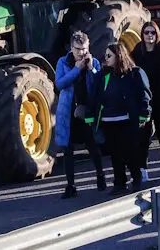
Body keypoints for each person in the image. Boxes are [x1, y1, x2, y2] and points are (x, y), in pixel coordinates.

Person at [90, 42, 152, 192]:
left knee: (130, 152)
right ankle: (119, 183)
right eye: (105, 55)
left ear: (119, 56)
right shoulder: (102, 75)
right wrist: (90, 117)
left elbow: (144, 94)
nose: (106, 58)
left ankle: (136, 178)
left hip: (126, 121)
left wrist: (145, 113)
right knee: (115, 154)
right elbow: (94, 97)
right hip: (108, 121)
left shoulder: (134, 73)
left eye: (109, 55)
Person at [54, 31, 106, 196]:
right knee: (67, 149)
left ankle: (100, 176)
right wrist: (76, 70)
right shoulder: (63, 62)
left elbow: (98, 85)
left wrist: (91, 69)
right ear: (71, 48)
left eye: (84, 49)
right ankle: (71, 186)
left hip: (86, 110)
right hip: (68, 111)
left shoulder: (94, 62)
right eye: (77, 49)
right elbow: (60, 84)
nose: (81, 53)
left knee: (92, 144)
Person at [133, 21, 160, 177]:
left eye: (153, 32)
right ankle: (142, 170)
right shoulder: (137, 52)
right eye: (146, 32)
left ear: (157, 34)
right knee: (143, 136)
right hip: (144, 100)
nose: (150, 35)